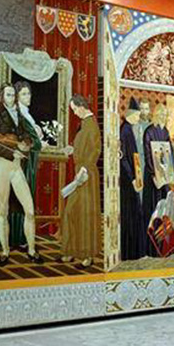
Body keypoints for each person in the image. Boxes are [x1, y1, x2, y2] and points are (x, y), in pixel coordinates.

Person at [0, 83, 42, 266]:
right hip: (2, 166)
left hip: (17, 168)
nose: (11, 98)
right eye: (8, 95)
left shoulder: (21, 117)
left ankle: (32, 250)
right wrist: (11, 153)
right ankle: (5, 251)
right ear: (2, 97)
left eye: (13, 95)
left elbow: (28, 137)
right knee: (3, 211)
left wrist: (25, 144)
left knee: (30, 210)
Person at [61, 94, 102, 267]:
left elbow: (95, 150)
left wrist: (84, 169)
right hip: (81, 172)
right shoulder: (84, 123)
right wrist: (72, 150)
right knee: (72, 212)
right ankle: (72, 251)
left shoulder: (91, 124)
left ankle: (87, 255)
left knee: (85, 214)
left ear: (81, 106)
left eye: (75, 109)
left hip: (87, 174)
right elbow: (83, 147)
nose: (74, 113)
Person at [142, 104, 174, 256]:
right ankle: (152, 249)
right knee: (154, 210)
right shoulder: (149, 131)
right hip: (153, 178)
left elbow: (170, 153)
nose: (163, 117)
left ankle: (165, 246)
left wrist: (172, 172)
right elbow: (148, 155)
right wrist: (154, 174)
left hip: (164, 177)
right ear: (156, 115)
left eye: (165, 115)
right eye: (161, 114)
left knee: (165, 210)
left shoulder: (165, 131)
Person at [119, 97, 144, 261]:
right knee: (130, 215)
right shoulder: (125, 131)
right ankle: (131, 253)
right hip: (128, 181)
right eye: (137, 116)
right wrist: (133, 179)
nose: (138, 119)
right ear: (131, 114)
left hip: (133, 179)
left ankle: (135, 252)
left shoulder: (129, 129)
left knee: (135, 214)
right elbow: (123, 159)